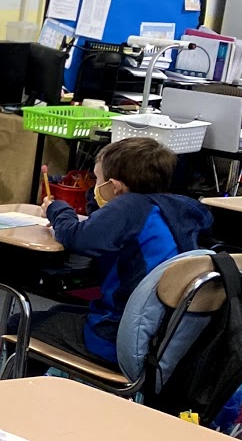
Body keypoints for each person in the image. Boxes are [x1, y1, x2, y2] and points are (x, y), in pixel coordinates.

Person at [35, 136, 211, 366]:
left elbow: (77, 238)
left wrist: (57, 209)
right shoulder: (175, 208)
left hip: (121, 338)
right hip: (166, 339)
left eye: (97, 180)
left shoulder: (129, 207)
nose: (94, 187)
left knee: (23, 322)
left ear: (115, 187)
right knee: (61, 312)